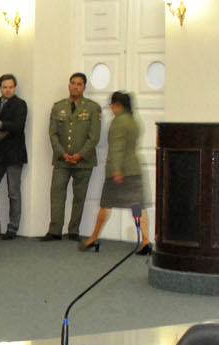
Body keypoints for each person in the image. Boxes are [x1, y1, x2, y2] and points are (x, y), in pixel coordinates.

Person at [81, 91, 147, 253]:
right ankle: (146, 239)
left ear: (118, 105)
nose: (110, 109)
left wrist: (116, 170)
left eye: (112, 105)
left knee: (105, 205)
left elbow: (117, 147)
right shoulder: (133, 120)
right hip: (134, 169)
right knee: (138, 205)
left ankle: (93, 238)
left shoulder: (118, 122)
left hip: (118, 172)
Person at [44, 72, 101, 241]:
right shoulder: (58, 106)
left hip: (83, 161)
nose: (75, 86)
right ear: (68, 85)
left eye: (79, 84)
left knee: (79, 196)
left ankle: (74, 230)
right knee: (57, 193)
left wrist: (80, 155)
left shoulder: (92, 108)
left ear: (84, 87)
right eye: (73, 83)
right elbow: (52, 133)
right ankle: (54, 230)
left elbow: (94, 136)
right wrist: (62, 153)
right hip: (62, 160)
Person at [0, 74, 28, 240]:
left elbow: (17, 126)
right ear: (0, 88)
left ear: (15, 87)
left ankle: (13, 228)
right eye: (5, 87)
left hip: (14, 155)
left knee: (13, 192)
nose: (8, 90)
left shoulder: (20, 104)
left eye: (11, 87)